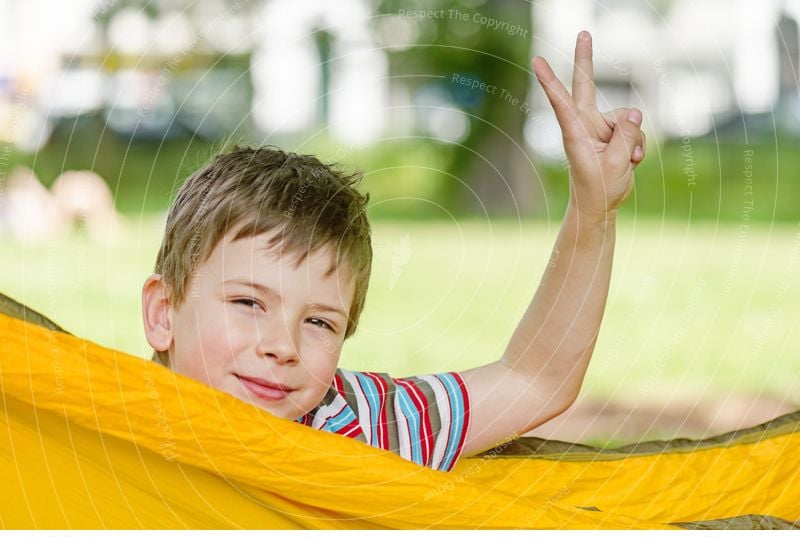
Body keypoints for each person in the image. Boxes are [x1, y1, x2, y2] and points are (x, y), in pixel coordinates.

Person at [141, 31, 645, 472]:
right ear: (164, 313)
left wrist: (593, 210)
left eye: (319, 322)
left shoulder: (360, 423)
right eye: (249, 303)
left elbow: (536, 378)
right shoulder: (106, 417)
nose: (284, 345)